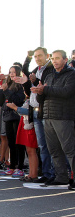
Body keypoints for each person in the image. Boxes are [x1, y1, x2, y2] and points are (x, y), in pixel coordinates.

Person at [32, 50, 75, 189]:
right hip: (48, 116)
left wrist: (45, 90)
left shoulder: (71, 74)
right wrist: (39, 92)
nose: (55, 61)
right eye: (53, 58)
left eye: (58, 58)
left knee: (69, 149)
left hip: (64, 117)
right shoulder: (49, 75)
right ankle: (61, 177)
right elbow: (42, 96)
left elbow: (66, 92)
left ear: (65, 59)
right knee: (54, 150)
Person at [20, 47, 55, 184]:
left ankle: (54, 173)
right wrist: (27, 59)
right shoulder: (37, 70)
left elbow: (44, 87)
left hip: (46, 110)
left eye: (40, 56)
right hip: (35, 111)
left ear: (47, 56)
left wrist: (35, 81)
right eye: (35, 56)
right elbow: (27, 76)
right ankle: (46, 173)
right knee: (42, 145)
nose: (37, 58)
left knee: (51, 145)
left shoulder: (51, 69)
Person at [0, 66, 26, 177]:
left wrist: (6, 90)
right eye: (10, 72)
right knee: (11, 143)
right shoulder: (8, 84)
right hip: (7, 116)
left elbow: (17, 100)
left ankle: (20, 167)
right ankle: (12, 166)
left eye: (14, 72)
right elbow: (1, 102)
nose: (12, 74)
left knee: (19, 143)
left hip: (17, 116)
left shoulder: (21, 86)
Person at [6, 100, 39, 181]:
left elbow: (32, 111)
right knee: (29, 150)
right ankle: (31, 173)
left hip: (30, 123)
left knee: (31, 149)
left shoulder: (34, 96)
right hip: (25, 121)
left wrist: (16, 108)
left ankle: (34, 174)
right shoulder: (29, 98)